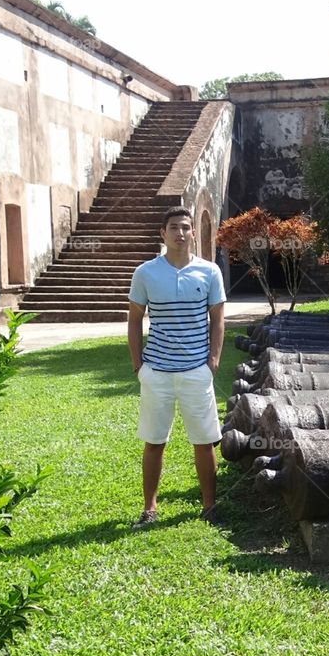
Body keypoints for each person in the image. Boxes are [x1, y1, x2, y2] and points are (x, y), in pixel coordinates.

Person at [128, 206, 226, 528]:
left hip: (196, 371)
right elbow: (134, 321)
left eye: (185, 227)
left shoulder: (209, 271)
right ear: (163, 233)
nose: (180, 233)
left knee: (204, 440)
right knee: (155, 441)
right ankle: (150, 508)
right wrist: (139, 365)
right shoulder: (145, 273)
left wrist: (212, 361)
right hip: (157, 372)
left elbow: (218, 320)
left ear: (193, 232)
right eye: (173, 227)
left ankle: (209, 506)